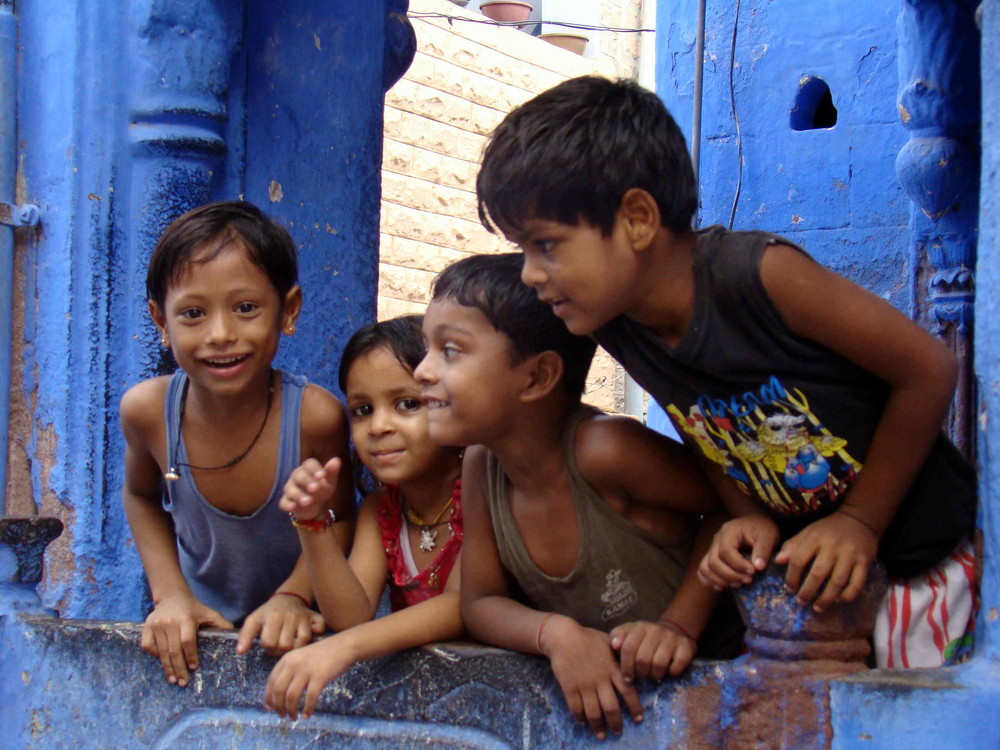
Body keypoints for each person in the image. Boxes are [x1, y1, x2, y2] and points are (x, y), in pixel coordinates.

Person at [475, 75, 979, 668]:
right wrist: (748, 518)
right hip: (820, 584)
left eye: (546, 245)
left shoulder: (759, 277)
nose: (531, 274)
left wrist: (858, 522)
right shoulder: (617, 321)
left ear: (637, 218)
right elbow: (703, 426)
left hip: (926, 559)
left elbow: (929, 369)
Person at [414, 253, 740, 741]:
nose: (421, 371)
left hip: (726, 699)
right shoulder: (482, 462)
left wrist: (678, 627)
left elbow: (731, 506)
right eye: (426, 349)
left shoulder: (605, 450)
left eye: (451, 351)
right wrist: (557, 636)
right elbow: (480, 602)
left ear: (538, 376)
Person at [120, 200, 355, 687]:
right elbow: (141, 497)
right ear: (160, 322)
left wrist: (295, 596)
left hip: (298, 642)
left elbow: (342, 517)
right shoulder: (147, 412)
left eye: (245, 308)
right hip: (196, 639)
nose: (221, 334)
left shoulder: (314, 417)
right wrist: (169, 595)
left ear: (288, 310)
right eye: (192, 313)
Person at [265, 316, 465, 720]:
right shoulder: (383, 509)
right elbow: (351, 614)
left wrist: (345, 648)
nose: (379, 426)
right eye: (362, 410)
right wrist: (313, 521)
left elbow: (461, 606)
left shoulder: (481, 495)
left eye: (407, 404)